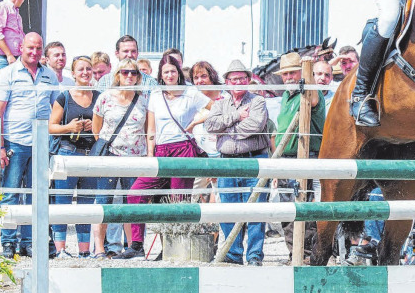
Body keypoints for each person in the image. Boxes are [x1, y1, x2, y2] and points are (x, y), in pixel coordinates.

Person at [128, 57, 209, 257]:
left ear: (178, 72)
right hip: (161, 150)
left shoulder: (190, 92)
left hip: (183, 148)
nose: (170, 75)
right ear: (161, 75)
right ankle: (137, 244)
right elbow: (151, 129)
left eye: (173, 71)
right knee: (135, 193)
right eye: (166, 72)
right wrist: (149, 154)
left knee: (178, 202)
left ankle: (174, 249)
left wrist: (195, 123)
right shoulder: (156, 95)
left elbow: (214, 108)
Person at [0, 32, 62, 258]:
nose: (34, 52)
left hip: (41, 144)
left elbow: (57, 108)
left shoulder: (49, 75)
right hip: (14, 140)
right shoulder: (7, 74)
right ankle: (9, 242)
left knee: (36, 194)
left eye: (38, 48)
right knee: (10, 193)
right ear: (21, 47)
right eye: (30, 47)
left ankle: (30, 242)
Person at [204, 60, 273, 265]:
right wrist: (236, 116)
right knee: (228, 209)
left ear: (248, 79)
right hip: (227, 162)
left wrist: (226, 129)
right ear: (227, 82)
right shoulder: (220, 103)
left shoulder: (258, 101)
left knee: (256, 210)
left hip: (254, 160)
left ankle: (253, 256)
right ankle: (233, 253)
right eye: (234, 79)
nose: (238, 82)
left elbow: (253, 126)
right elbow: (209, 125)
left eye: (242, 78)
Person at [91, 59, 150, 258]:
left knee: (132, 202)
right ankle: (99, 248)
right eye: (125, 72)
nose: (129, 76)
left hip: (135, 157)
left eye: (133, 73)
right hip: (111, 155)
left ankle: (132, 247)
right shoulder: (105, 97)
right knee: (104, 200)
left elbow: (147, 128)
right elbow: (96, 128)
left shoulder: (144, 99)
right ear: (118, 75)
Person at [49, 56, 98, 257]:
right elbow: (51, 126)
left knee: (86, 204)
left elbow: (104, 128)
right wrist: (70, 127)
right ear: (73, 73)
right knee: (63, 202)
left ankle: (84, 251)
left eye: (88, 69)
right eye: (81, 69)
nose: (85, 72)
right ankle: (61, 249)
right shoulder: (64, 97)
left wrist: (92, 126)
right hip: (67, 153)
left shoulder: (99, 96)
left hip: (90, 154)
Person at [273, 52, 324, 157]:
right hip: (284, 157)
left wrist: (308, 70)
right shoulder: (285, 95)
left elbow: (313, 101)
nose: (288, 77)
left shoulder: (310, 91)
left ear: (301, 72)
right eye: (285, 74)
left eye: (292, 73)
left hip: (307, 157)